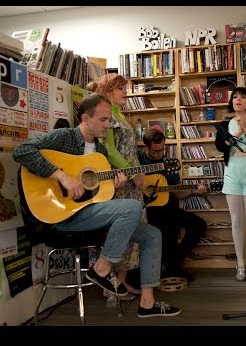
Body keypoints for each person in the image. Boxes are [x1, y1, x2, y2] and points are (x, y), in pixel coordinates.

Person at [12, 93, 181, 317]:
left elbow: (100, 197)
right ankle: (102, 269)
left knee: (152, 235)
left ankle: (147, 304)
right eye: (103, 120)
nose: (108, 125)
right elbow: (22, 151)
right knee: (132, 206)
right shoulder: (64, 138)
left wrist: (115, 182)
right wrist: (62, 177)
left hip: (87, 214)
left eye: (109, 120)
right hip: (62, 217)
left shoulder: (101, 152)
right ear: (85, 118)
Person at [87, 74, 144, 300]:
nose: (126, 92)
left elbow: (130, 151)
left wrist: (139, 172)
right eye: (121, 88)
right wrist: (134, 172)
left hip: (129, 182)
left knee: (131, 236)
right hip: (116, 182)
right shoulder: (107, 116)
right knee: (118, 233)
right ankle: (111, 287)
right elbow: (108, 150)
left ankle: (121, 282)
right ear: (108, 91)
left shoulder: (120, 115)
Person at [138, 128, 207, 281]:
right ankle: (169, 268)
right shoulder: (138, 160)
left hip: (168, 207)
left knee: (199, 225)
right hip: (146, 211)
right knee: (166, 232)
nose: (160, 153)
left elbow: (177, 192)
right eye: (156, 151)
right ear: (146, 147)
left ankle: (173, 263)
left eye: (162, 149)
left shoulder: (169, 163)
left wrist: (193, 191)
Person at [214, 87, 246, 282]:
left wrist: (245, 128)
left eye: (243, 97)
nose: (238, 100)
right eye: (235, 97)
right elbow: (220, 146)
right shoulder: (223, 124)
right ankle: (240, 265)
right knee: (236, 221)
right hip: (232, 172)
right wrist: (234, 133)